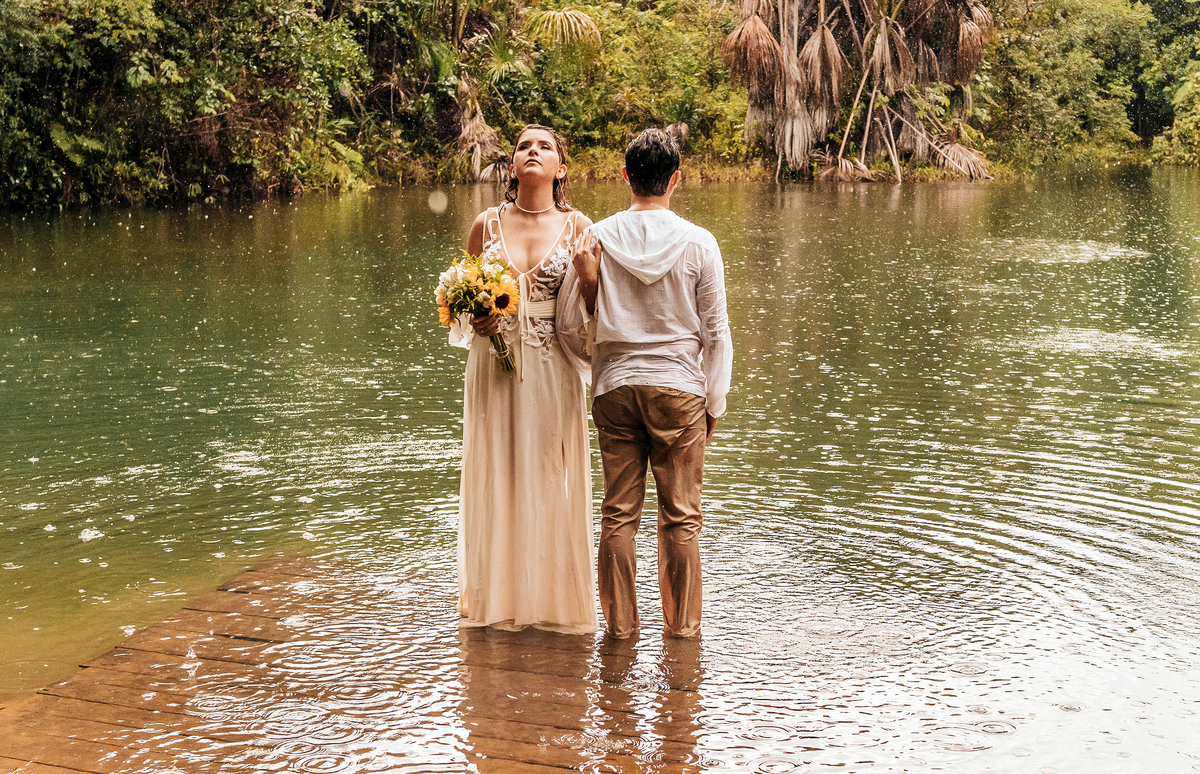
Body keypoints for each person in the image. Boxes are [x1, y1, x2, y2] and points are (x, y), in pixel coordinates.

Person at [563, 128, 733, 640]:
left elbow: (570, 324)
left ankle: (620, 633)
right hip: (678, 390)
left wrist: (596, 371)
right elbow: (717, 333)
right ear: (675, 179)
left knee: (618, 514)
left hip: (615, 388)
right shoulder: (699, 242)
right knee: (682, 518)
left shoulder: (595, 238)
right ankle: (683, 634)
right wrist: (714, 401)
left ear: (625, 176)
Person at [450, 124, 597, 635]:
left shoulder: (580, 227)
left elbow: (594, 312)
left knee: (549, 478)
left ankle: (553, 604)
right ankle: (500, 601)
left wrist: (591, 278)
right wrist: (477, 320)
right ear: (511, 167)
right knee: (496, 472)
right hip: (493, 364)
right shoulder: (485, 225)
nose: (533, 151)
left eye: (546, 147)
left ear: (561, 169)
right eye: (523, 147)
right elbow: (458, 306)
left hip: (553, 367)